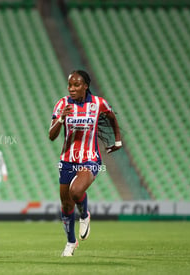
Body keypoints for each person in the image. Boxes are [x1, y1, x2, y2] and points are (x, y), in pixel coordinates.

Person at [48, 70, 122, 257]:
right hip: (67, 160)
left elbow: (112, 117)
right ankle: (71, 242)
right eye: (70, 85)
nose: (71, 88)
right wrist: (62, 118)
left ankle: (84, 215)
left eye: (76, 85)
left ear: (85, 86)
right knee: (65, 205)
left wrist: (118, 140)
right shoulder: (62, 104)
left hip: (90, 158)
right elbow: (51, 135)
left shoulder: (98, 103)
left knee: (76, 191)